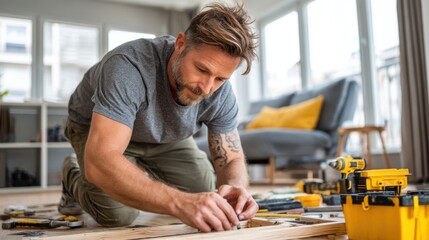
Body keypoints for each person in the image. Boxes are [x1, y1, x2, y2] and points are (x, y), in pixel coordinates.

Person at [59, 2, 258, 232]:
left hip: (163, 133)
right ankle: (71, 173)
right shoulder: (128, 66)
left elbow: (231, 158)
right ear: (180, 45)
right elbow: (101, 161)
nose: (206, 88)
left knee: (204, 191)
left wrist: (236, 188)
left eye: (220, 79)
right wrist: (178, 203)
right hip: (97, 125)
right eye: (202, 70)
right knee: (117, 214)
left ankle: (136, 173)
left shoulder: (220, 93)